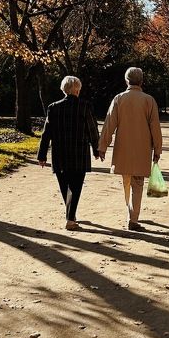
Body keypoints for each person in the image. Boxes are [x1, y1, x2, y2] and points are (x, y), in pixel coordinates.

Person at [98, 66, 162, 231]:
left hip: (123, 149)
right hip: (142, 149)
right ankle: (133, 219)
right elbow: (155, 127)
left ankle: (130, 212)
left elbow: (109, 123)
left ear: (127, 80)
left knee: (126, 181)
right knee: (138, 183)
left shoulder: (119, 99)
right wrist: (157, 149)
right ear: (141, 81)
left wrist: (102, 146)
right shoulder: (149, 100)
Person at [38, 75, 101, 231]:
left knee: (64, 185)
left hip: (60, 153)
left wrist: (42, 154)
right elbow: (92, 129)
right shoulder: (85, 106)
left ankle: (70, 213)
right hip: (79, 151)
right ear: (77, 90)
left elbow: (47, 133)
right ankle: (70, 218)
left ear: (63, 89)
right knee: (76, 185)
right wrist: (96, 149)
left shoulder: (53, 107)